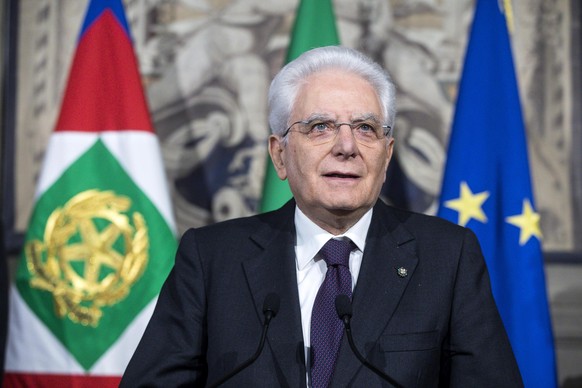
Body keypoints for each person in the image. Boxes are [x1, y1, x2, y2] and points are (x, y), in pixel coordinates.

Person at [121, 45, 523, 387]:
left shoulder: (447, 257)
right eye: (320, 127)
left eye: (366, 127)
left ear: (387, 155)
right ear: (280, 155)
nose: (346, 146)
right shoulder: (211, 259)